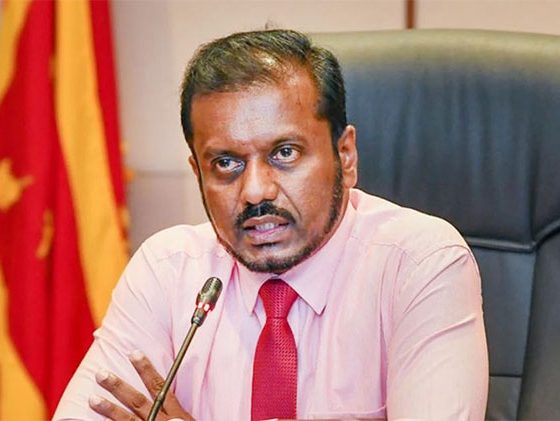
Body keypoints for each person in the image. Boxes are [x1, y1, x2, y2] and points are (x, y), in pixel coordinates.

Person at [54, 29, 488, 421]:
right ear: (198, 173)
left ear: (346, 155)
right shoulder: (166, 270)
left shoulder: (419, 264)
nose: (255, 191)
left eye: (284, 153)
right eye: (226, 163)